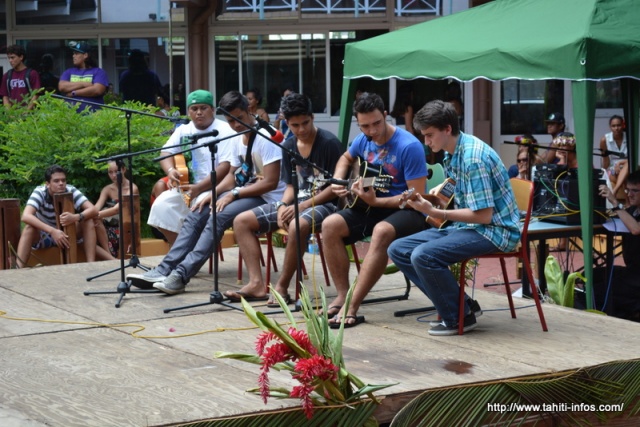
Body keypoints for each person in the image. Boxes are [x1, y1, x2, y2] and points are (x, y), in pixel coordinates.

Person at [128, 90, 286, 295]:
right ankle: (165, 269)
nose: (236, 125)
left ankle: (181, 275)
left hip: (270, 198)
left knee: (218, 216)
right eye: (231, 121)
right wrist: (213, 193)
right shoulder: (237, 137)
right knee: (198, 211)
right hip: (246, 192)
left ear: (249, 110)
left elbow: (270, 183)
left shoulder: (265, 136)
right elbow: (232, 175)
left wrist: (233, 195)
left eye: (239, 118)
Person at [388, 100, 520, 336]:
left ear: (447, 129)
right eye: (424, 136)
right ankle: (463, 305)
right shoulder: (453, 152)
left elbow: (484, 215)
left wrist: (436, 213)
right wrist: (428, 200)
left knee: (423, 255)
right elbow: (457, 196)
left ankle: (458, 318)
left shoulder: (473, 158)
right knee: (398, 249)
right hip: (468, 226)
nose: (426, 142)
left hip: (496, 230)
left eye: (430, 135)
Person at [323, 92, 429, 328]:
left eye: (376, 123)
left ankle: (352, 307)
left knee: (381, 231)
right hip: (370, 205)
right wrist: (338, 181)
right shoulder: (363, 140)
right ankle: (342, 295)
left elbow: (416, 197)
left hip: (408, 210)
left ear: (385, 115)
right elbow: (345, 158)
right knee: (330, 225)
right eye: (364, 126)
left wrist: (376, 203)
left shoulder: (409, 146)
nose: (372, 131)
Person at [229, 92, 344, 303]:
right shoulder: (289, 145)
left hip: (327, 203)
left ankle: (281, 286)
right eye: (295, 125)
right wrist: (282, 204)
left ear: (312, 117)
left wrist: (303, 205)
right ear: (287, 123)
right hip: (296, 202)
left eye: (305, 123)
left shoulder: (329, 143)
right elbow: (290, 185)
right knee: (241, 221)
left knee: (298, 225)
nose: (301, 130)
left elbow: (335, 188)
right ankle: (256, 284)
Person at [146, 89, 236, 244]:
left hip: (215, 188)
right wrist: (171, 170)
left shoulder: (225, 130)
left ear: (213, 110)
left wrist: (199, 188)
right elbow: (165, 152)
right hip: (187, 187)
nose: (199, 112)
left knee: (198, 211)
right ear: (188, 112)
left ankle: (190, 252)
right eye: (194, 109)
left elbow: (225, 167)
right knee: (161, 206)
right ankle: (179, 251)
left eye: (203, 108)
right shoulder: (183, 130)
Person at [15, 165, 114, 268]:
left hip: (68, 233)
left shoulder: (70, 190)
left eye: (63, 180)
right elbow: (26, 216)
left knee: (88, 221)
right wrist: (52, 231)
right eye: (56, 181)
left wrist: (76, 217)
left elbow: (93, 210)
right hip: (46, 235)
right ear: (47, 184)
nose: (61, 183)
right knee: (29, 228)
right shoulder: (40, 192)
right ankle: (18, 269)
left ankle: (90, 264)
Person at [597, 171, 640, 320]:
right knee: (591, 276)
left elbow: (636, 229)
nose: (630, 194)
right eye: (628, 190)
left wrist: (615, 203)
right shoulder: (632, 210)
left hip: (637, 277)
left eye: (635, 191)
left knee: (600, 290)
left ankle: (633, 311)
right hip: (632, 271)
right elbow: (613, 217)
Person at [94, 161, 140, 257]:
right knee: (95, 223)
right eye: (110, 172)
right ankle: (109, 255)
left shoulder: (132, 188)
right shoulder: (107, 189)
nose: (114, 175)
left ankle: (110, 256)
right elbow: (97, 207)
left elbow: (117, 209)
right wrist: (92, 214)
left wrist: (96, 215)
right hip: (109, 224)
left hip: (125, 226)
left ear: (124, 169)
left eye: (116, 171)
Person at [58, 41, 109, 112]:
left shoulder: (99, 72)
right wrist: (83, 84)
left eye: (76, 53)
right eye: (73, 53)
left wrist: (74, 93)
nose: (73, 56)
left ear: (85, 55)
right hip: (70, 116)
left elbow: (97, 90)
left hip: (93, 115)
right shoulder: (68, 72)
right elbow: (62, 86)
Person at [1, 44, 41, 109]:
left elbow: (36, 95)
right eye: (9, 58)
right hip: (13, 113)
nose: (10, 60)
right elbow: (5, 96)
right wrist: (9, 112)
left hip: (29, 113)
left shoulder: (32, 74)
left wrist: (26, 111)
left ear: (21, 57)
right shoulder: (7, 75)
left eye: (12, 57)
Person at [599, 115, 628, 200]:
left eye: (619, 125)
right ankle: (626, 201)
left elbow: (633, 158)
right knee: (618, 172)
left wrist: (620, 163)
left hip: (628, 166)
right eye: (613, 126)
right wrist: (605, 172)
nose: (616, 128)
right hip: (612, 169)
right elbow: (606, 162)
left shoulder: (630, 136)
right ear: (610, 127)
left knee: (627, 166)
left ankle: (615, 191)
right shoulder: (604, 140)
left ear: (623, 125)